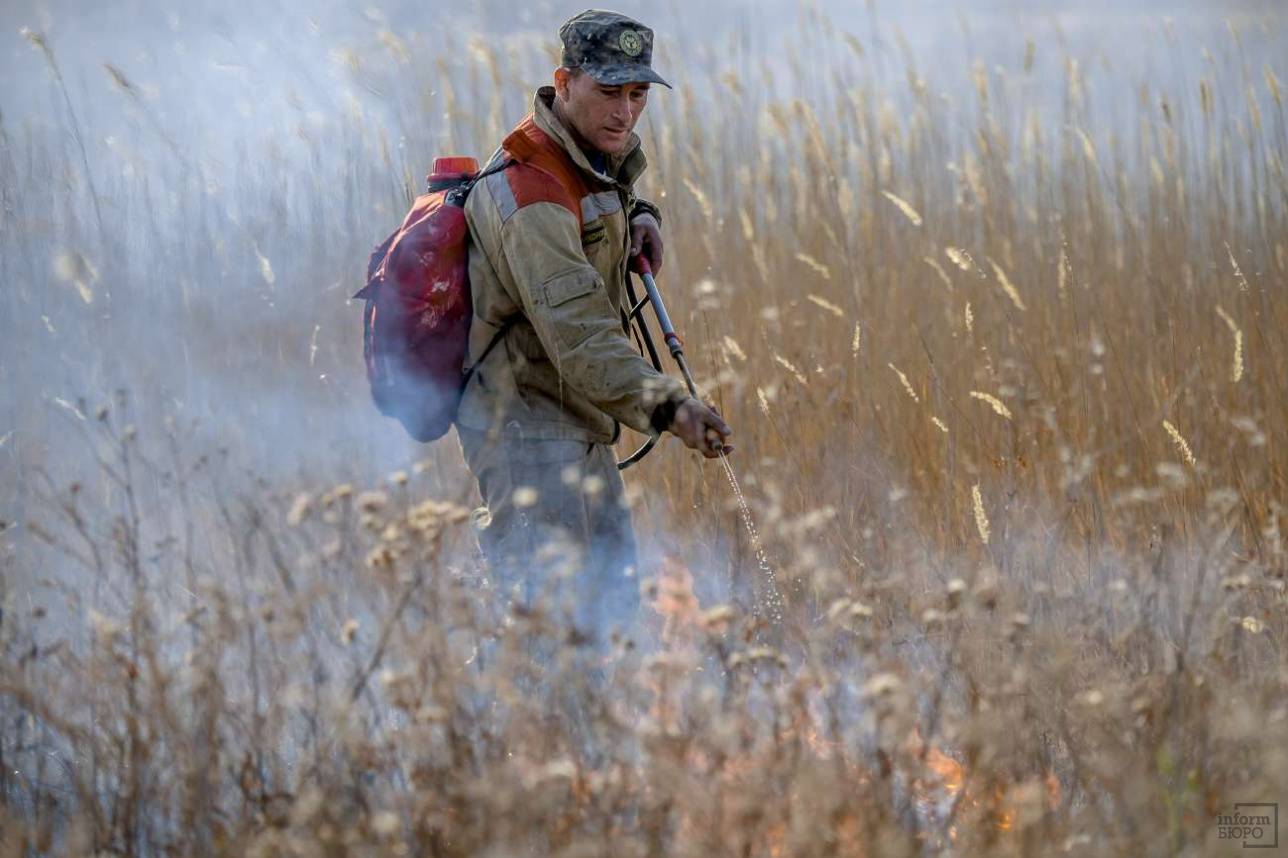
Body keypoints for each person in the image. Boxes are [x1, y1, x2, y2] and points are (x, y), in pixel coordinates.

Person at [455, 9, 732, 646]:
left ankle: (574, 736)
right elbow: (580, 333)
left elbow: (605, 194)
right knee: (547, 631)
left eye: (638, 95)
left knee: (607, 614)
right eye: (610, 92)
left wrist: (641, 215)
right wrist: (670, 406)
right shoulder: (530, 193)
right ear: (566, 81)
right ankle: (488, 738)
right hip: (524, 428)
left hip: (573, 418)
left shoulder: (584, 158)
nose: (626, 112)